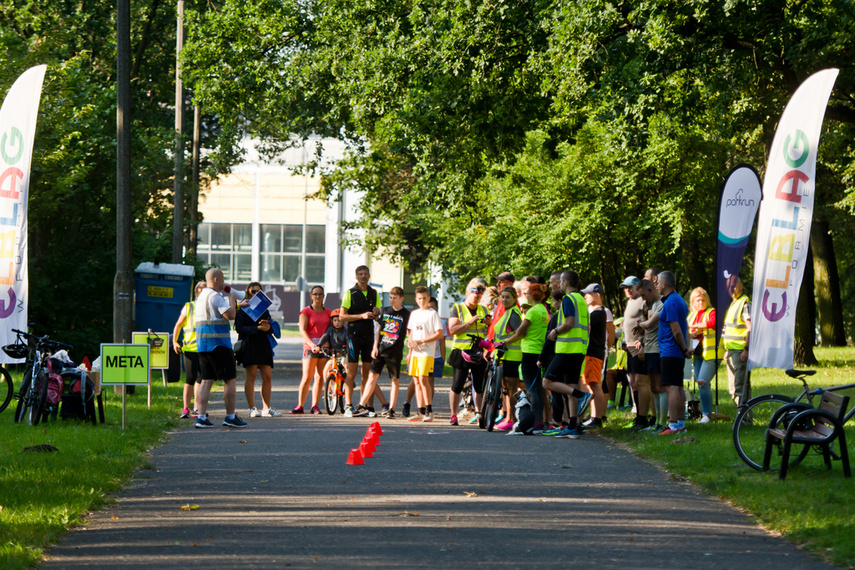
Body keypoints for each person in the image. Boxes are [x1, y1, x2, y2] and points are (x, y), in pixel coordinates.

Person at [194, 268, 248, 429]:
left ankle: (201, 417)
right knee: (230, 380)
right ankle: (230, 416)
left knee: (206, 380)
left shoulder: (201, 296)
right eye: (223, 278)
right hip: (219, 345)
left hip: (203, 345)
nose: (224, 282)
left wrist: (236, 305)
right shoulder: (215, 296)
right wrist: (232, 298)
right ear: (216, 279)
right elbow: (230, 315)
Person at [542, 270, 590, 439]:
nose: (559, 284)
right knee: (571, 386)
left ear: (565, 282)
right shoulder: (582, 301)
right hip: (579, 349)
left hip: (567, 349)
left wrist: (555, 331)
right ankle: (572, 426)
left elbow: (569, 323)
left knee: (547, 382)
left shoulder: (568, 299)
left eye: (561, 281)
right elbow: (587, 328)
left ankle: (582, 395)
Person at [503, 277, 549, 433]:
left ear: (530, 295)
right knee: (537, 388)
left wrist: (504, 343)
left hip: (529, 352)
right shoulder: (543, 310)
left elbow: (520, 332)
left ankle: (536, 423)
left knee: (532, 388)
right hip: (539, 351)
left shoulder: (533, 311)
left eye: (526, 292)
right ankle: (540, 422)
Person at [356, 286, 410, 418]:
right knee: (372, 377)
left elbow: (410, 333)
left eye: (395, 298)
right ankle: (362, 405)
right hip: (381, 349)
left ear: (401, 299)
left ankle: (391, 409)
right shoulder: (385, 311)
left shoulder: (406, 314)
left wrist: (410, 351)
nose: (392, 300)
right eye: (390, 298)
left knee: (394, 380)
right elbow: (378, 330)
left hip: (394, 352)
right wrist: (375, 347)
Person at [338, 265, 382, 417]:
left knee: (367, 373)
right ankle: (348, 405)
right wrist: (361, 316)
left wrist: (377, 312)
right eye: (360, 274)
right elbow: (342, 316)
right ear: (356, 277)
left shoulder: (373, 293)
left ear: (369, 275)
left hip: (368, 336)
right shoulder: (350, 293)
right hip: (354, 336)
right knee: (351, 372)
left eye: (366, 274)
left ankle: (364, 406)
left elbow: (377, 313)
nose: (363, 276)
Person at [448, 278, 491, 424]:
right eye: (475, 295)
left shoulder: (483, 309)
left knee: (479, 385)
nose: (477, 298)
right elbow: (452, 330)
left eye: (480, 296)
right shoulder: (458, 308)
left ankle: (479, 414)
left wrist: (489, 324)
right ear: (468, 293)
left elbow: (490, 330)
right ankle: (453, 415)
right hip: (462, 351)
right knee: (457, 384)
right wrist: (469, 323)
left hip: (478, 351)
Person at [236, 282, 281, 418]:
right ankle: (252, 408)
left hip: (263, 344)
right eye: (253, 291)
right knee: (251, 376)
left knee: (267, 376)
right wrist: (257, 328)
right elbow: (240, 328)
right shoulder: (242, 308)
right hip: (249, 344)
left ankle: (266, 408)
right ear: (248, 292)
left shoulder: (264, 309)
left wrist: (268, 327)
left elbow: (269, 325)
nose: (255, 294)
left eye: (258, 292)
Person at [656, 270, 692, 435]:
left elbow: (676, 330)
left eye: (657, 283)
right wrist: (685, 348)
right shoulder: (679, 300)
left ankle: (673, 425)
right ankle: (680, 423)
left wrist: (684, 348)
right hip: (676, 350)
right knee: (678, 387)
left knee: (671, 388)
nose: (656, 286)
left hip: (670, 350)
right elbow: (686, 328)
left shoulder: (670, 302)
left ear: (664, 284)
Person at [406, 286, 444, 422]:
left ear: (428, 298)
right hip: (415, 352)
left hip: (427, 352)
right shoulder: (414, 314)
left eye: (424, 298)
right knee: (416, 380)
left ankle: (429, 410)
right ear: (416, 300)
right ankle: (420, 410)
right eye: (419, 299)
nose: (422, 301)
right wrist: (409, 348)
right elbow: (410, 333)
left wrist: (422, 340)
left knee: (423, 379)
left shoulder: (432, 314)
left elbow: (439, 333)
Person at [579, 283, 614, 429]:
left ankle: (597, 418)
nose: (585, 296)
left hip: (595, 353)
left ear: (597, 295)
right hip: (590, 353)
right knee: (590, 384)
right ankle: (594, 416)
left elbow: (608, 334)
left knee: (595, 384)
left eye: (588, 293)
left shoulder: (600, 312)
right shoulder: (593, 311)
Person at [294, 285, 332, 414]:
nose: (317, 296)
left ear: (323, 296)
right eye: (315, 294)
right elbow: (302, 330)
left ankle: (314, 406)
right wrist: (311, 344)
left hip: (324, 348)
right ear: (311, 296)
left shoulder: (328, 312)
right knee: (307, 377)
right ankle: (300, 405)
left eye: (320, 294)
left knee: (320, 377)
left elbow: (331, 330)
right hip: (310, 347)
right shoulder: (306, 311)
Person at [621, 275, 652, 430]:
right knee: (633, 382)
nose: (627, 290)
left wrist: (643, 343)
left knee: (642, 382)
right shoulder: (630, 301)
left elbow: (648, 321)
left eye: (629, 287)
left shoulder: (643, 301)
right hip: (629, 346)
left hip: (638, 346)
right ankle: (639, 416)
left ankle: (645, 418)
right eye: (625, 287)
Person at [636, 279, 667, 431]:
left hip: (657, 350)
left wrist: (639, 324)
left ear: (650, 290)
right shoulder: (653, 305)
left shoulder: (661, 304)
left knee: (660, 386)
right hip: (650, 349)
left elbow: (649, 324)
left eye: (643, 295)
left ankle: (662, 422)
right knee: (654, 387)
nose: (642, 299)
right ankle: (657, 422)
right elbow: (647, 327)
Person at [172, 280, 206, 419]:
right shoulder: (189, 307)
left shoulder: (210, 307)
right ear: (197, 291)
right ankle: (185, 408)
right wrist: (174, 341)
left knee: (201, 379)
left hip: (205, 348)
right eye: (202, 289)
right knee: (190, 378)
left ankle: (197, 408)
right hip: (190, 348)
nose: (205, 291)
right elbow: (178, 325)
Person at [688, 287, 723, 423]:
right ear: (693, 302)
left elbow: (713, 323)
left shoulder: (711, 312)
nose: (701, 302)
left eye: (703, 300)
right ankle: (705, 412)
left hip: (711, 354)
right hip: (697, 354)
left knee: (703, 382)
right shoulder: (691, 316)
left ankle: (707, 415)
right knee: (701, 384)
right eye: (698, 300)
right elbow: (687, 329)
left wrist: (697, 328)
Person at [492, 286, 523, 431]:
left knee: (511, 389)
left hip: (513, 356)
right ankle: (508, 417)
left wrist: (504, 343)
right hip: (505, 355)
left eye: (508, 297)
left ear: (515, 299)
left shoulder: (514, 314)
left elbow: (519, 333)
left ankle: (512, 419)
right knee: (506, 389)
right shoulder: (507, 312)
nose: (504, 300)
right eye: (502, 297)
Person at [723, 277, 751, 411]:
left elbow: (750, 328)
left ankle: (744, 419)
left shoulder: (744, 304)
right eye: (730, 286)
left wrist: (746, 349)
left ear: (742, 286)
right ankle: (742, 417)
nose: (732, 289)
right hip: (732, 351)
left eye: (735, 286)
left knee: (741, 386)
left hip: (741, 352)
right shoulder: (734, 303)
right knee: (733, 387)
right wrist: (728, 349)